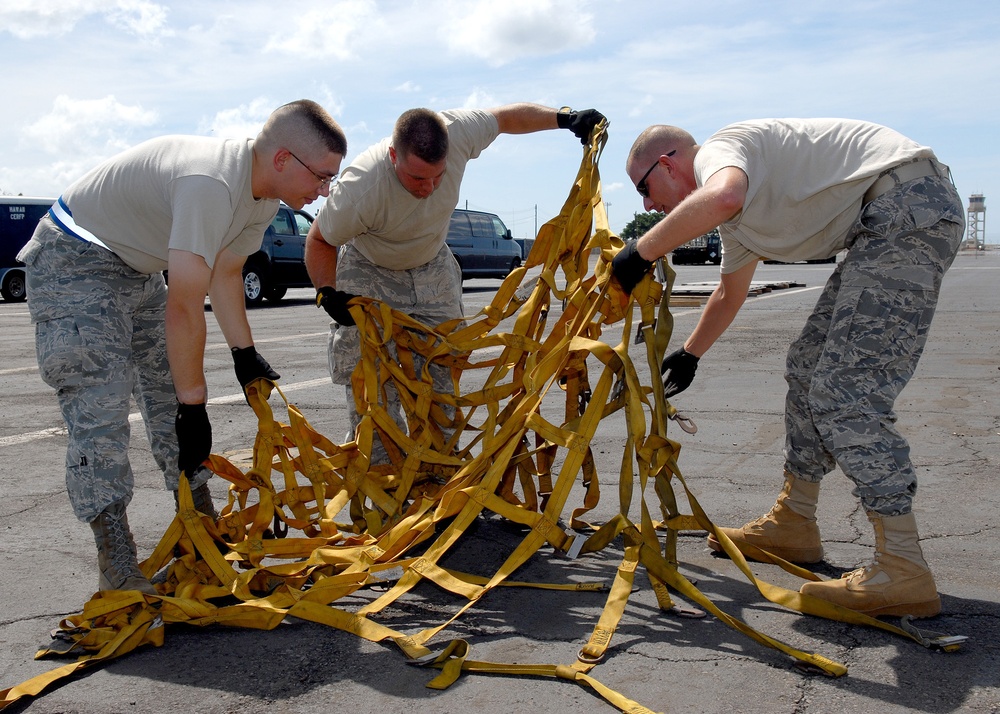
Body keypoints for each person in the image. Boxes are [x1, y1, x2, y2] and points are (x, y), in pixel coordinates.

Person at [611, 118, 964, 618]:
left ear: (668, 162)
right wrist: (691, 353)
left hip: (906, 208)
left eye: (645, 187)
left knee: (846, 391)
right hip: (887, 219)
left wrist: (639, 252)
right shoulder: (739, 219)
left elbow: (723, 196)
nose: (647, 205)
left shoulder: (720, 152)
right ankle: (794, 523)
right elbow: (729, 294)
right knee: (807, 366)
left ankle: (904, 567)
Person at [18, 99, 348, 595]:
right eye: (322, 177)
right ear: (283, 160)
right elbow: (185, 308)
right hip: (76, 259)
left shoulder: (260, 195)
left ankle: (199, 537)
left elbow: (226, 273)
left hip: (136, 267)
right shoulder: (210, 185)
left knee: (170, 401)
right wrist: (196, 407)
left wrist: (244, 356)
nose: (324, 191)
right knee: (102, 411)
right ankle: (118, 566)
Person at [305, 104, 604, 464]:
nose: (429, 188)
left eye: (438, 176)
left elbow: (507, 119)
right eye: (417, 178)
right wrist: (327, 292)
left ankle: (440, 477)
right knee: (374, 391)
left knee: (442, 373)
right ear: (392, 156)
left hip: (431, 264)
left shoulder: (458, 132)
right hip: (371, 268)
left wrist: (564, 118)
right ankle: (382, 479)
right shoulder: (360, 188)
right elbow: (319, 239)